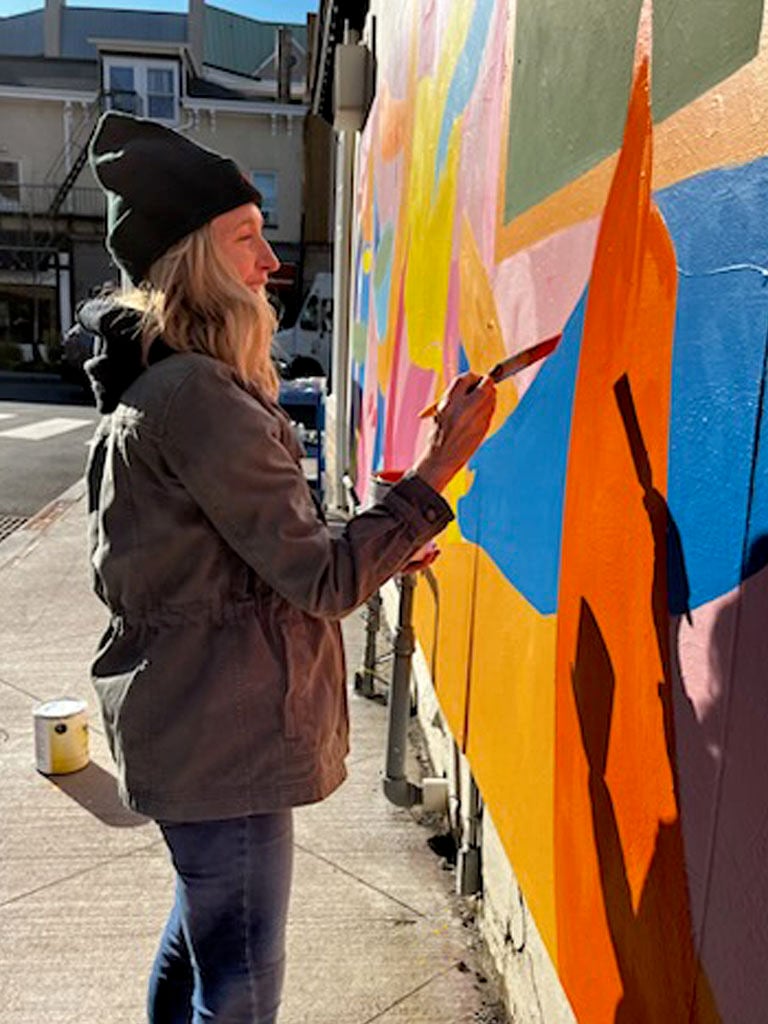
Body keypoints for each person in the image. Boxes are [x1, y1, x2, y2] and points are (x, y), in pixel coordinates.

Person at [82, 111, 496, 1024]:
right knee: (239, 986)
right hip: (221, 735)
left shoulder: (168, 384)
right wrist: (439, 469)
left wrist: (386, 536)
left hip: (195, 723)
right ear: (193, 258)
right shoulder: (198, 395)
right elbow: (323, 581)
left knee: (199, 940)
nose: (270, 261)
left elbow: (253, 551)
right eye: (245, 237)